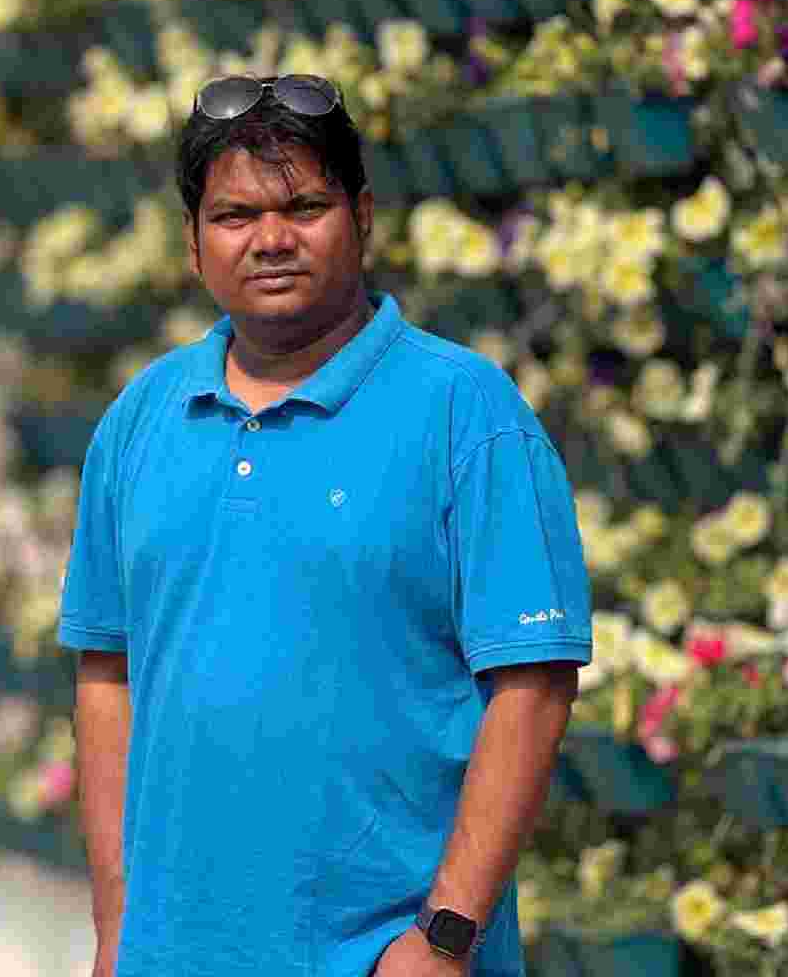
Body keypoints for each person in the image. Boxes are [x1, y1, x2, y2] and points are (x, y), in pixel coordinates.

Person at [59, 73, 592, 977]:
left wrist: (446, 938)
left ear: (363, 216)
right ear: (193, 242)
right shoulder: (140, 419)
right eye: (234, 216)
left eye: (305, 207)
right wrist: (116, 929)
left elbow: (534, 688)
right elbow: (106, 677)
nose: (271, 239)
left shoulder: (465, 412)